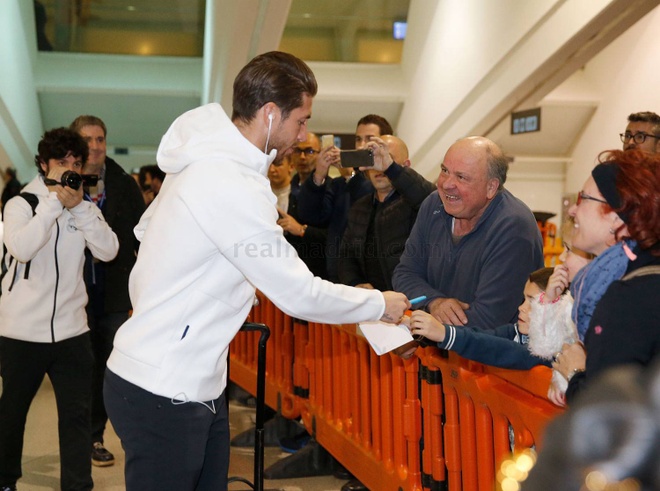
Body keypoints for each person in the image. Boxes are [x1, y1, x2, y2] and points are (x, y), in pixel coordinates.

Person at [103, 51, 409, 491]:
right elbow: (297, 292)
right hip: (163, 386)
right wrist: (379, 302)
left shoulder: (212, 166)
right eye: (301, 120)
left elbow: (155, 236)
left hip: (194, 380)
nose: (303, 135)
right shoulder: (226, 181)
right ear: (269, 114)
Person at [0, 128, 119, 491]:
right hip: (21, 332)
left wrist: (79, 207)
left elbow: (108, 250)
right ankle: (5, 480)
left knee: (76, 416)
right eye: (61, 163)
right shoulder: (22, 203)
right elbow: (22, 247)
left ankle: (78, 484)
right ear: (43, 164)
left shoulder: (82, 207)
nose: (69, 170)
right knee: (11, 414)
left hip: (71, 331)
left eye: (75, 163)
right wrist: (53, 203)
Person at [392, 136, 545, 329]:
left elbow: (488, 319)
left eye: (461, 177)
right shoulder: (434, 205)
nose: (447, 184)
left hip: (491, 356)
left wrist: (423, 331)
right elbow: (405, 274)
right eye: (444, 171)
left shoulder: (514, 227)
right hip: (440, 351)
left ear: (491, 187)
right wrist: (435, 302)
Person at [551, 150, 660, 404]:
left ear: (615, 216)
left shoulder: (628, 296)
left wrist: (576, 374)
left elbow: (607, 413)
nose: (573, 211)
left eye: (584, 199)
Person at [69, 115, 146, 467]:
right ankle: (77, 436)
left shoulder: (123, 184)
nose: (96, 145)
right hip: (73, 293)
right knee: (80, 368)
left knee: (108, 368)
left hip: (114, 293)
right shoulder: (60, 184)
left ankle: (97, 436)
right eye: (88, 139)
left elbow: (139, 237)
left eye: (101, 138)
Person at [296, 115, 392, 281]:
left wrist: (350, 175)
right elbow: (311, 216)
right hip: (337, 275)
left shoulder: (391, 181)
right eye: (358, 139)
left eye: (369, 139)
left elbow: (371, 207)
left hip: (374, 278)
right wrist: (319, 176)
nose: (362, 145)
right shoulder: (340, 185)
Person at [406, 268, 556, 369]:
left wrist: (445, 334)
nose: (521, 307)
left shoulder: (553, 352)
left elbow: (503, 351)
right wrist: (420, 329)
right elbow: (481, 337)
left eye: (532, 302)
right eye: (524, 299)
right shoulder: (514, 332)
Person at [339, 135, 434, 290]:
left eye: (386, 157)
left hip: (411, 298)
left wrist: (391, 169)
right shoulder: (359, 207)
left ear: (406, 165)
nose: (379, 167)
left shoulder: (416, 202)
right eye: (374, 158)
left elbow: (430, 197)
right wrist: (355, 283)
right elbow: (346, 255)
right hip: (374, 303)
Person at [268, 151, 328, 278]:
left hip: (303, 265)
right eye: (269, 165)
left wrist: (300, 228)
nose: (272, 170)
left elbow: (328, 236)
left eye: (278, 164)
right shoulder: (261, 194)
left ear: (291, 167)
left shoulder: (301, 195)